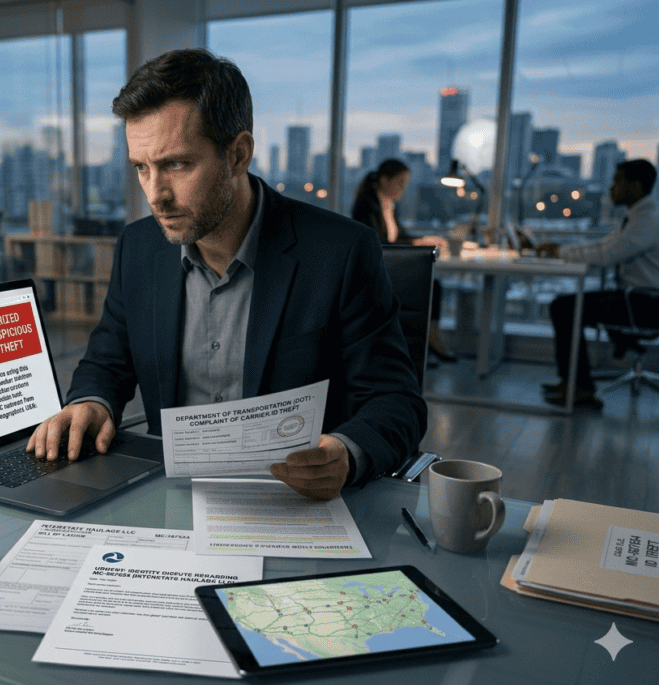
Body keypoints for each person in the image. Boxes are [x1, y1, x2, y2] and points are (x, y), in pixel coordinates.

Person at [26, 48, 427, 501]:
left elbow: (397, 402)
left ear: (237, 155)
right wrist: (91, 402)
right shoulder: (138, 249)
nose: (155, 195)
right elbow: (107, 361)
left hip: (295, 502)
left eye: (176, 164)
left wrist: (346, 453)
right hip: (173, 499)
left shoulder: (341, 251)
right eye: (142, 167)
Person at [537, 159, 659, 408]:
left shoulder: (648, 221)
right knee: (564, 305)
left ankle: (580, 386)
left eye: (617, 182)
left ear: (635, 186)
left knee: (564, 308)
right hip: (636, 297)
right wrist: (561, 250)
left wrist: (559, 253)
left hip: (646, 304)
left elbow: (607, 256)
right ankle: (574, 382)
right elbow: (603, 246)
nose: (611, 189)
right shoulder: (636, 217)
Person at [351, 159, 456, 363]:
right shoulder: (367, 206)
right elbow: (378, 243)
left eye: (405, 183)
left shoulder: (388, 204)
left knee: (434, 285)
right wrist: (416, 243)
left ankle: (426, 341)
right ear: (384, 180)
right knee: (432, 286)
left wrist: (421, 240)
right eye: (399, 182)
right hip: (378, 272)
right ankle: (429, 339)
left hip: (392, 266)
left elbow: (396, 236)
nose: (402, 188)